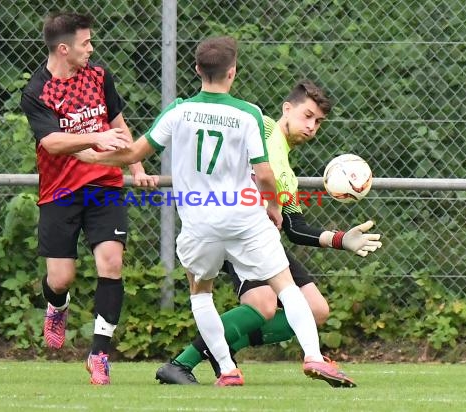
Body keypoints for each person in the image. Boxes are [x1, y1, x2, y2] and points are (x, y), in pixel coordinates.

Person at [81, 36, 356, 387]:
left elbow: (134, 153)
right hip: (244, 217)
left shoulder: (178, 111)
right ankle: (314, 357)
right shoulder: (248, 113)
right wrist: (273, 205)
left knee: (202, 292)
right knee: (286, 286)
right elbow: (264, 172)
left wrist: (87, 154)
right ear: (233, 72)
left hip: (200, 223)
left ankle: (228, 370)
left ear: (197, 70)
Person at [155, 80, 382, 387]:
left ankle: (222, 346)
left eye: (318, 122)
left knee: (316, 309)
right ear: (287, 109)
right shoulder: (263, 126)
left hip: (262, 236)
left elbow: (295, 229)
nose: (312, 126)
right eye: (307, 115)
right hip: (234, 226)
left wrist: (343, 239)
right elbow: (225, 116)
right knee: (262, 303)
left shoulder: (286, 175)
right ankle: (185, 361)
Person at [20, 12, 157, 386]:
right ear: (63, 49)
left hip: (104, 186)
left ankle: (99, 353)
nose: (91, 49)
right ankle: (57, 304)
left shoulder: (98, 75)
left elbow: (117, 123)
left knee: (111, 262)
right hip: (60, 192)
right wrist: (93, 139)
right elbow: (52, 142)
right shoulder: (37, 91)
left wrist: (136, 167)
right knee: (61, 278)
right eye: (86, 43)